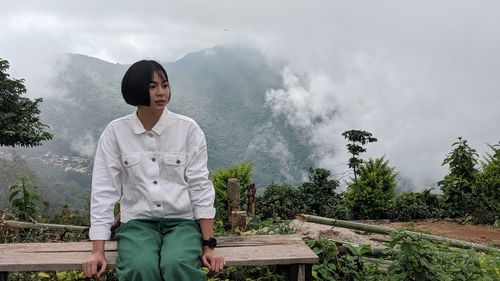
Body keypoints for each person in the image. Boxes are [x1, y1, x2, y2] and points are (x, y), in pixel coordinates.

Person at [82, 60, 225, 280]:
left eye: (165, 85)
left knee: (177, 264)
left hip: (181, 223)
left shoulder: (188, 129)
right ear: (135, 90)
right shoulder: (115, 133)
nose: (161, 93)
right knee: (140, 267)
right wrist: (97, 252)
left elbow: (199, 186)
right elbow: (104, 191)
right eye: (152, 86)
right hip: (137, 224)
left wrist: (209, 246)